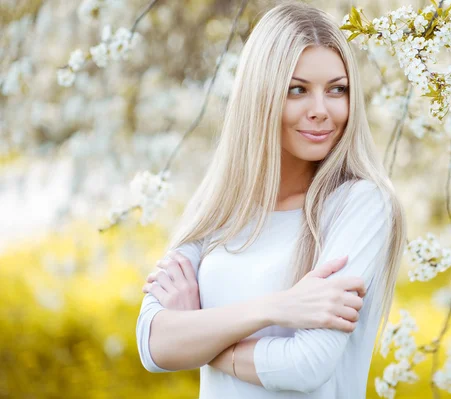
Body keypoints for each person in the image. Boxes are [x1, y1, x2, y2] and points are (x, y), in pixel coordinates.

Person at [135, 1, 407, 398]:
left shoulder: (361, 204)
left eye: (337, 90)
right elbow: (154, 345)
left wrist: (203, 338)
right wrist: (276, 307)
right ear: (259, 95)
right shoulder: (220, 205)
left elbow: (306, 366)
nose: (321, 110)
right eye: (297, 90)